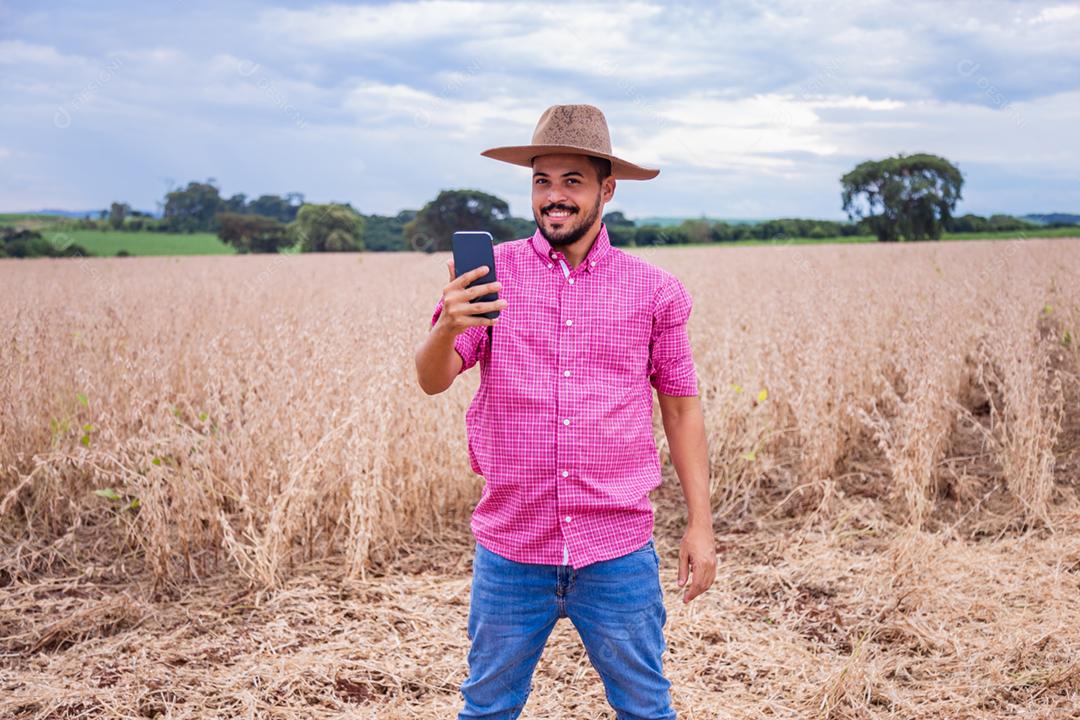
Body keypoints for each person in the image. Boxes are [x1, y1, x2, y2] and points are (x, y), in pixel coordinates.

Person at [414, 103, 716, 719]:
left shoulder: (655, 291)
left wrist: (700, 525)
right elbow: (432, 380)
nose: (554, 197)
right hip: (511, 549)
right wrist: (447, 325)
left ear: (607, 189)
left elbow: (681, 409)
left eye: (572, 181)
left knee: (646, 707)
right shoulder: (491, 278)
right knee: (487, 708)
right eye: (541, 181)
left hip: (617, 551)